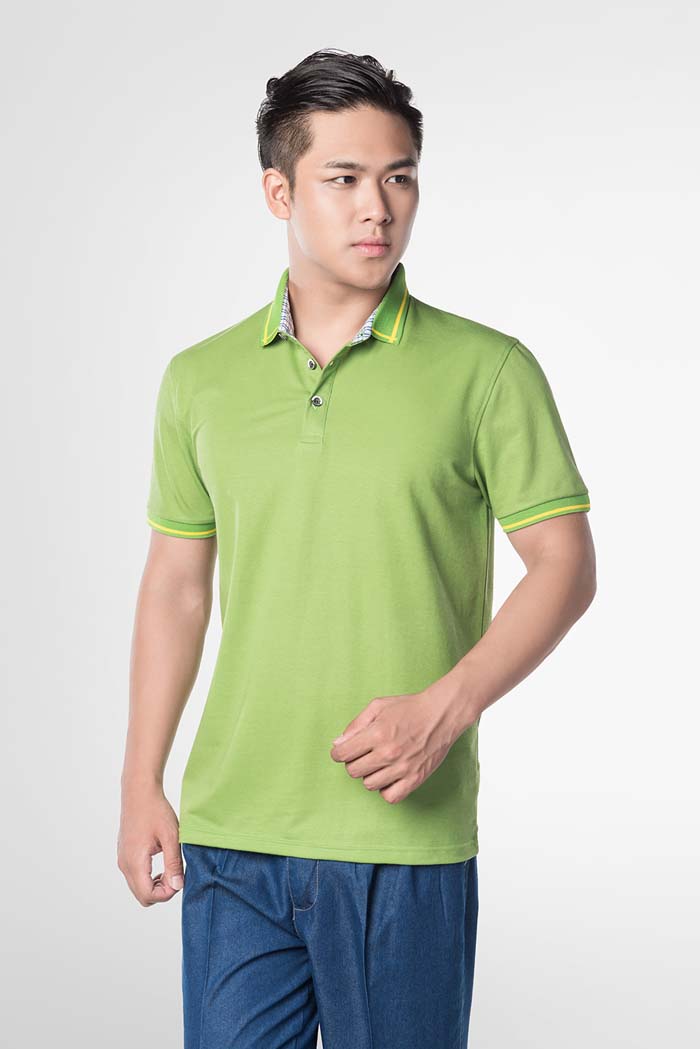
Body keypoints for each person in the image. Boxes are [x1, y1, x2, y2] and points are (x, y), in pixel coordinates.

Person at [118, 47, 596, 1049]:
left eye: (399, 176)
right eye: (343, 178)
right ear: (279, 192)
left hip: (401, 837)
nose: (378, 207)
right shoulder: (199, 381)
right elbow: (175, 588)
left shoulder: (488, 371)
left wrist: (446, 707)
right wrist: (139, 778)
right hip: (232, 834)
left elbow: (564, 564)